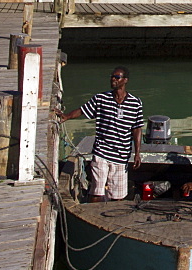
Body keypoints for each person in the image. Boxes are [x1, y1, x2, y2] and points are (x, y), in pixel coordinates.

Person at [56, 66, 143, 202]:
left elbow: (137, 129)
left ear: (125, 80)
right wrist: (66, 116)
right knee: (97, 191)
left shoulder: (135, 103)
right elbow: (82, 110)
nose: (113, 79)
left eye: (117, 77)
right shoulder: (101, 98)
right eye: (112, 76)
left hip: (121, 155)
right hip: (101, 151)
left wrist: (137, 153)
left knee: (118, 196)